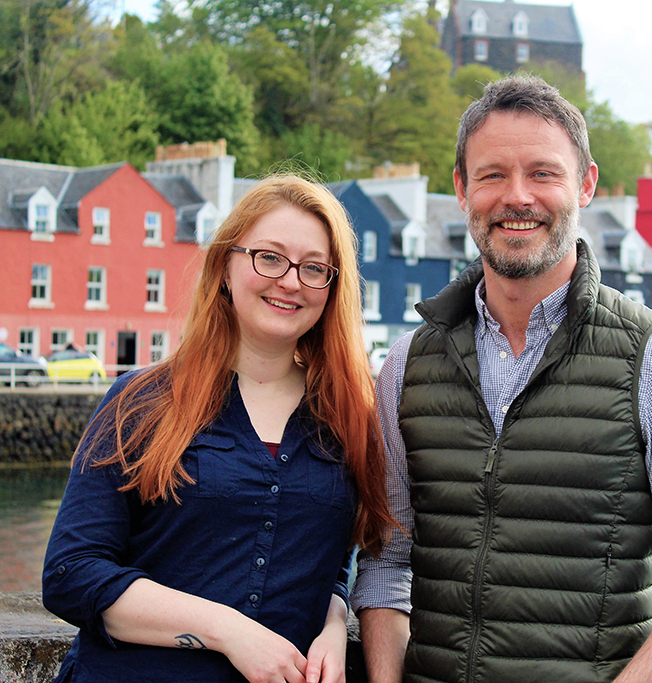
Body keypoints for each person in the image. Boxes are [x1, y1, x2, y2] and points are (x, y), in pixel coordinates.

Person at [351, 76, 652, 683]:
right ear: (462, 189)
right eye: (492, 175)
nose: (517, 197)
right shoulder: (408, 363)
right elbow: (388, 561)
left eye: (543, 173)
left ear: (585, 184)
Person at [43, 175, 392, 683]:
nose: (291, 281)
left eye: (314, 268)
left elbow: (328, 557)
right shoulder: (140, 402)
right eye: (268, 257)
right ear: (226, 266)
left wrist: (334, 621)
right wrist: (229, 631)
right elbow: (70, 574)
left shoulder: (348, 419)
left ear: (332, 289)